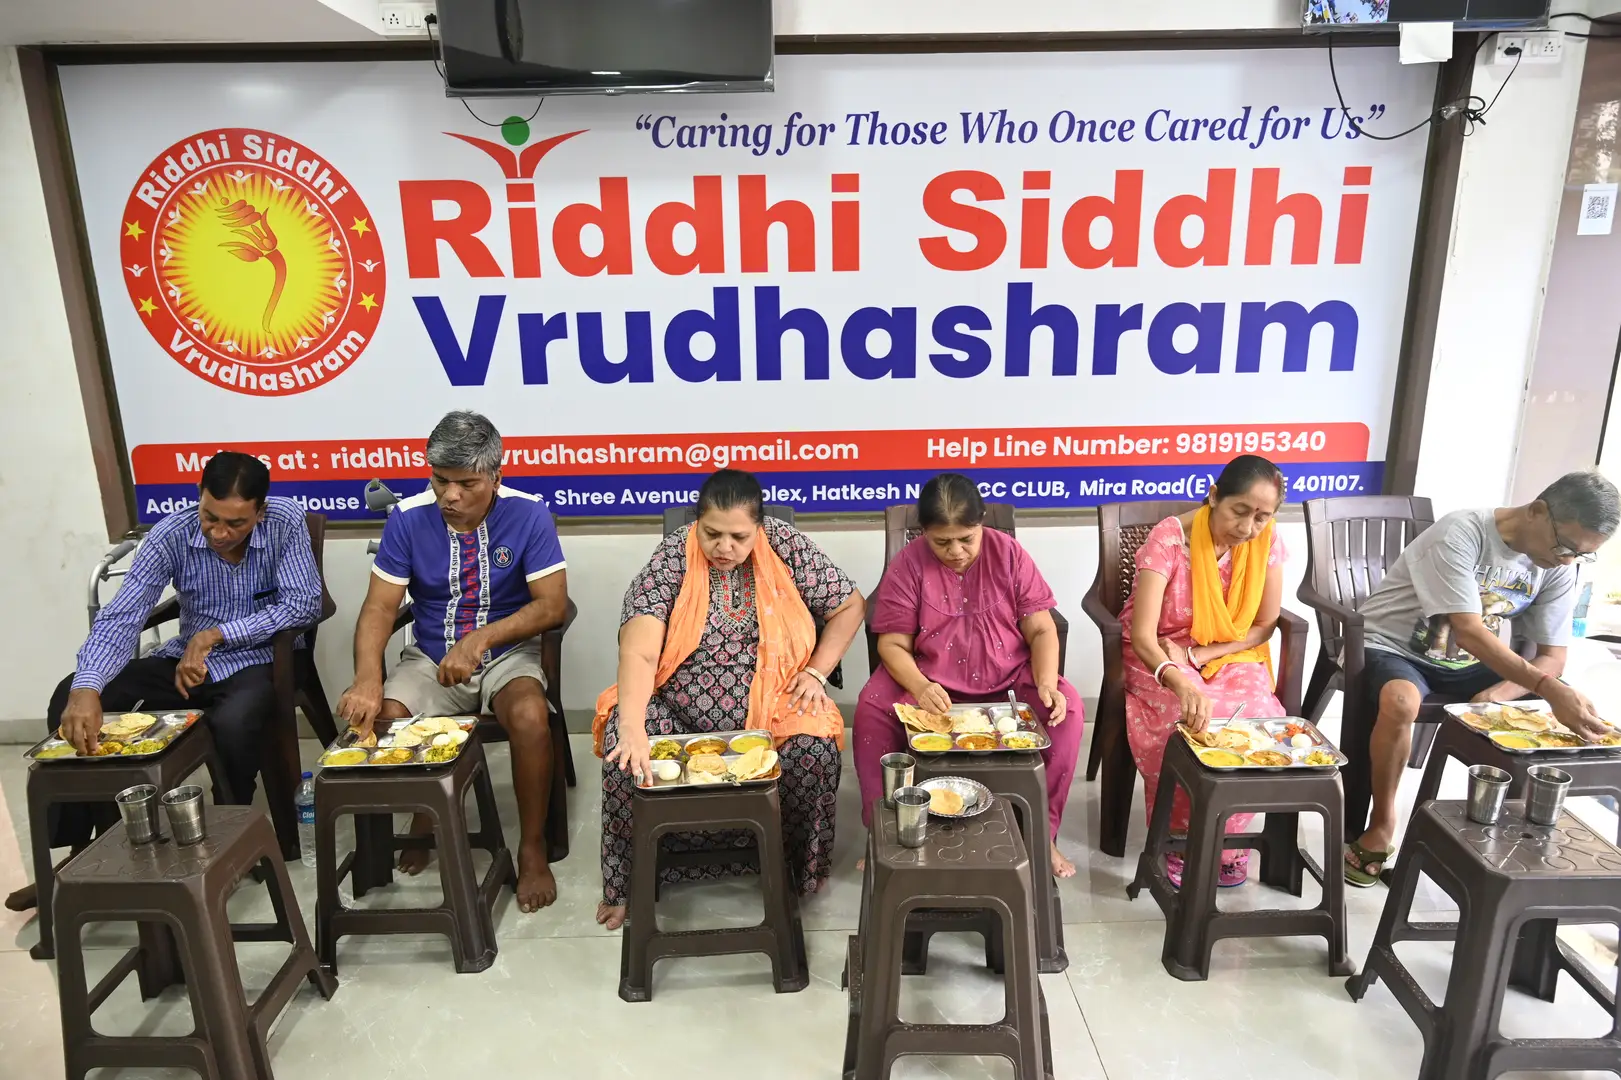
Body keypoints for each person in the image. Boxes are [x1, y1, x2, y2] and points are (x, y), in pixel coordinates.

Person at [6, 452, 322, 912]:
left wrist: (218, 634)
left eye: (235, 523)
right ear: (198, 497)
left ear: (260, 510)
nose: (218, 533)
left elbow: (304, 604)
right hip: (181, 663)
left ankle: (228, 834)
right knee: (69, 696)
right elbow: (122, 617)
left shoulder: (285, 521)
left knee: (236, 720)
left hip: (259, 658)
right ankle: (87, 850)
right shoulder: (170, 534)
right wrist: (87, 687)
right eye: (210, 517)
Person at [593, 469, 865, 932]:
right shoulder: (672, 558)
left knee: (816, 749)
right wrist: (635, 727)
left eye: (739, 537)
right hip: (677, 709)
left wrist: (817, 672)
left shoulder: (786, 545)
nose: (724, 547)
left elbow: (850, 605)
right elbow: (640, 651)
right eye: (712, 533)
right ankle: (626, 883)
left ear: (759, 527)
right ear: (696, 523)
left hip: (774, 705)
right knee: (625, 748)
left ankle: (793, 870)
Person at [339, 411, 569, 913]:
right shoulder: (407, 518)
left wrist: (481, 639)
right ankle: (425, 816)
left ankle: (531, 847)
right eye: (441, 480)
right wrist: (367, 678)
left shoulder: (529, 514)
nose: (450, 495)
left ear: (495, 478)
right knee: (386, 719)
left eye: (467, 484)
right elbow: (379, 608)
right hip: (430, 654)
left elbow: (552, 605)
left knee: (531, 716)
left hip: (507, 655)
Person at [1344, 470, 1618, 887]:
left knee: (1547, 714)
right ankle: (1382, 824)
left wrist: (1503, 692)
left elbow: (1552, 656)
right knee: (1401, 702)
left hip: (1467, 661)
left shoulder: (1558, 565)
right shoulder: (1461, 532)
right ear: (1537, 511)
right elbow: (1470, 631)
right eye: (1565, 547)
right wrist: (1545, 687)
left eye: (1581, 554)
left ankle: (1502, 839)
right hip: (1393, 645)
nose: (1567, 560)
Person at [854, 474, 1085, 878]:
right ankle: (885, 834)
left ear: (981, 524)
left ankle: (1042, 835)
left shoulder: (1009, 554)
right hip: (930, 682)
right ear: (924, 532)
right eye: (942, 542)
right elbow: (892, 645)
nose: (956, 551)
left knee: (1066, 711)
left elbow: (1041, 629)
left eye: (966, 539)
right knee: (872, 709)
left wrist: (1047, 682)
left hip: (1009, 678)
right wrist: (920, 685)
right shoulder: (908, 563)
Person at [1122, 455, 1289, 889]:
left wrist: (1201, 654)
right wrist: (1178, 676)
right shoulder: (1169, 539)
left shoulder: (1267, 542)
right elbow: (1143, 637)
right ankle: (1181, 841)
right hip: (1158, 654)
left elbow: (1263, 625)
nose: (1247, 527)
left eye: (1261, 517)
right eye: (1239, 511)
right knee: (1188, 720)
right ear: (1214, 496)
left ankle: (1227, 843)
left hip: (1227, 653)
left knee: (1257, 721)